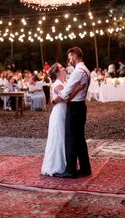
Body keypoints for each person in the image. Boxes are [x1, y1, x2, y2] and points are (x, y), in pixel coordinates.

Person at [53, 46, 91, 179]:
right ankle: (86, 168)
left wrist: (57, 97)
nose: (69, 60)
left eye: (70, 56)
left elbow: (67, 90)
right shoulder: (85, 69)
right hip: (81, 106)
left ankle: (70, 170)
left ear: (75, 55)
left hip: (75, 107)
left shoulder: (78, 71)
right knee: (80, 138)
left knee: (71, 139)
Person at [41, 63, 85, 177]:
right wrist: (78, 88)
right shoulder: (57, 84)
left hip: (66, 112)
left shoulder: (64, 83)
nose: (64, 68)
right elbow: (66, 98)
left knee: (65, 138)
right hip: (59, 113)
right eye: (61, 67)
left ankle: (67, 165)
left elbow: (66, 95)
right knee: (60, 138)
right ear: (56, 72)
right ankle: (58, 166)